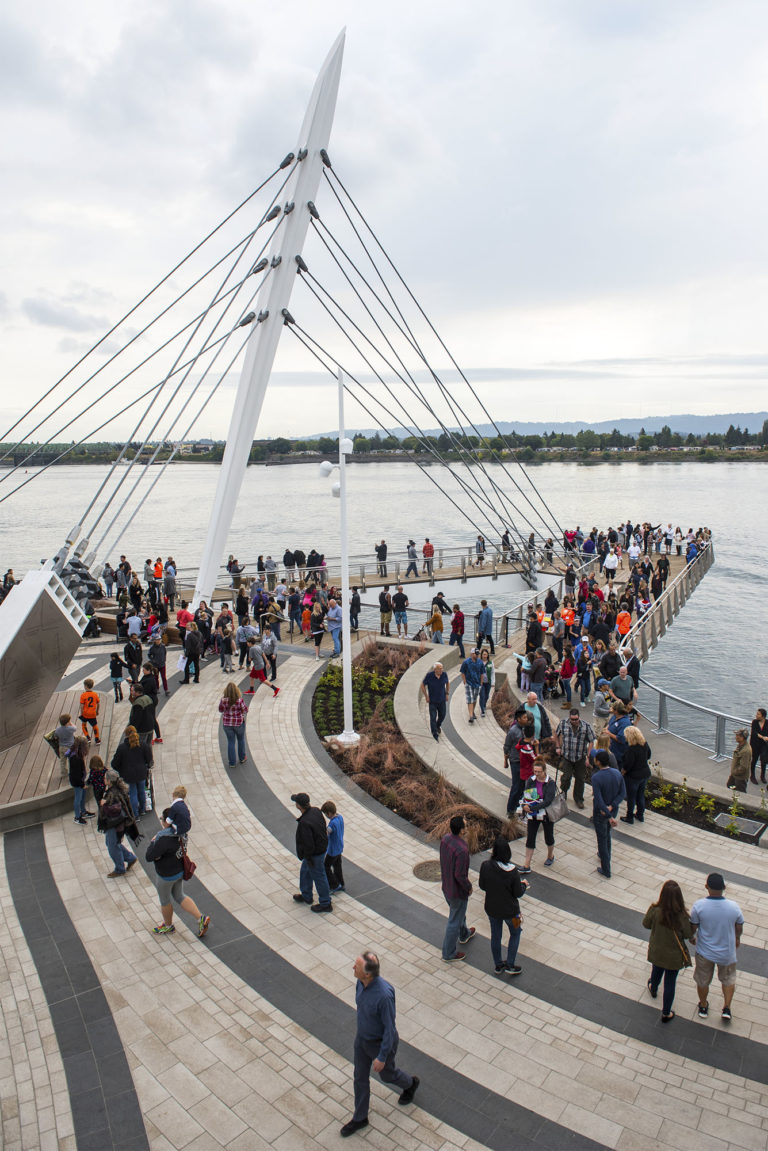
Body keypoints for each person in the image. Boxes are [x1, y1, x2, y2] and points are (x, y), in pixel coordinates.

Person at [340, 951, 419, 1138]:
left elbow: (389, 1029)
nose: (353, 967)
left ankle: (410, 1083)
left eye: (356, 967)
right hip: (362, 1040)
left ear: (367, 974)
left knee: (388, 1075)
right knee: (359, 1077)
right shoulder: (360, 983)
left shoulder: (384, 995)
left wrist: (382, 1057)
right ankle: (360, 1118)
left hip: (380, 1044)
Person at [146, 807, 210, 938]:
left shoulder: (164, 839)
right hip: (179, 870)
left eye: (162, 819)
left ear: (168, 822)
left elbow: (149, 856)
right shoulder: (182, 833)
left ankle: (168, 926)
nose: (162, 822)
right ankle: (201, 918)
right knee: (179, 895)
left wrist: (153, 842)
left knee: (165, 900)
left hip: (166, 875)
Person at [690, 872, 744, 1021]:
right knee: (728, 980)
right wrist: (737, 938)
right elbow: (739, 927)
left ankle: (703, 1005)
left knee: (702, 981)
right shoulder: (734, 907)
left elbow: (693, 926)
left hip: (704, 952)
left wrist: (692, 937)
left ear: (706, 886)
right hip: (727, 953)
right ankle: (726, 1008)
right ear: (724, 887)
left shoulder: (699, 905)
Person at [642, 880, 694, 1023]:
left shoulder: (655, 910)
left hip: (657, 951)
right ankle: (666, 1013)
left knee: (656, 970)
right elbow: (688, 934)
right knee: (670, 983)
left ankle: (653, 987)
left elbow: (645, 924)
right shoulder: (682, 916)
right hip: (674, 957)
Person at [478, 835, 528, 975]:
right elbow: (518, 893)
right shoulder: (513, 872)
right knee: (516, 932)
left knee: (496, 936)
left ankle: (498, 965)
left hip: (492, 909)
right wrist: (524, 886)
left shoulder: (485, 866)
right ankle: (510, 964)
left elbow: (482, 886)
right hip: (512, 912)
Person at [439, 814, 474, 962]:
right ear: (461, 830)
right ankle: (448, 953)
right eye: (465, 825)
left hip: (446, 886)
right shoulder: (462, 850)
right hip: (456, 891)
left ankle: (464, 933)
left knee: (459, 913)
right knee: (454, 919)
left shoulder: (446, 839)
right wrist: (468, 887)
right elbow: (460, 875)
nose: (467, 827)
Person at [291, 793, 333, 912]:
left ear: (298, 806)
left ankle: (325, 903)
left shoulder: (304, 823)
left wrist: (308, 857)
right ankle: (306, 895)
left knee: (319, 876)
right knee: (305, 872)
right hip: (319, 849)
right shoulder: (316, 811)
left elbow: (308, 843)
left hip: (314, 854)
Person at [592, 749, 626, 878]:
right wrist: (612, 806)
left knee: (602, 839)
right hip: (613, 810)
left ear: (598, 762)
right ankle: (605, 856)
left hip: (601, 813)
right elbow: (622, 793)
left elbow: (599, 799)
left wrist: (607, 812)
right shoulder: (617, 773)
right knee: (607, 835)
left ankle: (606, 868)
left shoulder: (596, 778)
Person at [518, 758, 557, 872]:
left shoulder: (550, 783)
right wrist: (525, 804)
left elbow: (547, 801)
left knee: (548, 836)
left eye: (539, 772)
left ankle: (550, 855)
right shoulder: (531, 780)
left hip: (546, 814)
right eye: (535, 771)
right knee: (530, 837)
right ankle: (526, 865)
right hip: (533, 813)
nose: (537, 774)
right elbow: (527, 794)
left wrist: (532, 807)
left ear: (544, 770)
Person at [555, 709, 595, 809]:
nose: (574, 721)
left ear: (579, 717)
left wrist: (588, 756)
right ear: (569, 717)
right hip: (567, 756)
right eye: (572, 719)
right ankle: (563, 792)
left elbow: (591, 741)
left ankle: (579, 799)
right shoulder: (563, 724)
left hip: (580, 757)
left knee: (580, 779)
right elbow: (556, 734)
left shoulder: (586, 726)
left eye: (576, 719)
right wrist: (558, 747)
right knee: (566, 777)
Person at [111, 725, 152, 821]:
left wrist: (121, 770)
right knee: (141, 791)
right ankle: (143, 809)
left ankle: (135, 814)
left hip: (128, 774)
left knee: (133, 793)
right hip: (141, 772)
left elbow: (114, 763)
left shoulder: (122, 748)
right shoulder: (143, 744)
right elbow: (149, 759)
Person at [620, 726, 652, 823]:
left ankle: (629, 817)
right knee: (640, 795)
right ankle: (640, 815)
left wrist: (623, 772)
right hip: (645, 773)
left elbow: (628, 765)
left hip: (633, 777)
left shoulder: (631, 749)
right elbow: (649, 755)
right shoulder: (644, 744)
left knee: (631, 797)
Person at [219, 682, 249, 767]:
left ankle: (232, 762)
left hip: (227, 724)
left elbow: (220, 710)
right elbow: (245, 709)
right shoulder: (239, 700)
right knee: (241, 740)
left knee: (231, 742)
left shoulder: (223, 700)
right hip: (238, 723)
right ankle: (242, 758)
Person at [503, 708, 527, 815]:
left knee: (522, 785)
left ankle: (517, 804)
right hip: (516, 761)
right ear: (518, 719)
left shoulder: (525, 729)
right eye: (524, 717)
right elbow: (507, 746)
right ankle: (510, 809)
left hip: (524, 761)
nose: (526, 719)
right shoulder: (513, 731)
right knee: (516, 786)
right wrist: (506, 759)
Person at [68, 737, 94, 824]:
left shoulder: (76, 753)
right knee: (78, 799)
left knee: (82, 796)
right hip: (77, 782)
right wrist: (82, 784)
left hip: (80, 780)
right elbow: (76, 775)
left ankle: (83, 811)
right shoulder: (76, 758)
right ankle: (77, 817)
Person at [321, 800, 345, 893]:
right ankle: (341, 882)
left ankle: (334, 885)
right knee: (337, 865)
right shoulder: (340, 817)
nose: (326, 816)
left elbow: (326, 833)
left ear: (329, 813)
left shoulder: (332, 824)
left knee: (326, 867)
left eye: (326, 814)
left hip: (332, 850)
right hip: (339, 847)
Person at [421, 661, 449, 740]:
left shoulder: (444, 675)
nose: (441, 670)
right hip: (432, 701)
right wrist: (426, 696)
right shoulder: (429, 676)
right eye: (439, 669)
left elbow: (447, 683)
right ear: (435, 670)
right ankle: (434, 733)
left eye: (442, 668)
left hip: (442, 700)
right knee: (433, 717)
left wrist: (447, 693)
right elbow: (422, 685)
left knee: (442, 715)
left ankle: (437, 725)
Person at [460, 648, 484, 724]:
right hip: (469, 682)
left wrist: (481, 682)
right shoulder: (466, 662)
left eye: (477, 654)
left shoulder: (480, 662)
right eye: (475, 654)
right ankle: (471, 716)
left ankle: (472, 711)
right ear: (472, 654)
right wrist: (464, 681)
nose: (477, 655)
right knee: (470, 698)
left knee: (474, 698)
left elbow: (482, 672)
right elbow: (462, 672)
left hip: (477, 683)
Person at [750, 707, 768, 784]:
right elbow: (754, 732)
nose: (756, 715)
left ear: (763, 716)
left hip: (764, 745)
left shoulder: (767, 723)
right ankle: (752, 776)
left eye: (758, 714)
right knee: (754, 759)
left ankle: (762, 776)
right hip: (755, 744)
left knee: (763, 760)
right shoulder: (754, 722)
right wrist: (763, 737)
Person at [478, 646, 495, 716]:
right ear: (481, 655)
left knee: (486, 696)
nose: (484, 656)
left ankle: (484, 704)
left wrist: (493, 682)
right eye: (483, 654)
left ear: (488, 655)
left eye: (486, 654)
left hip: (488, 682)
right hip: (481, 683)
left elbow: (492, 673)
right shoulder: (478, 662)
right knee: (482, 695)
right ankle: (482, 710)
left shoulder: (491, 663)